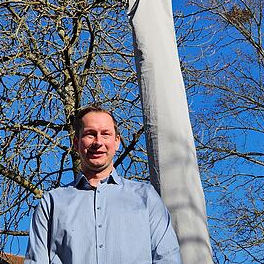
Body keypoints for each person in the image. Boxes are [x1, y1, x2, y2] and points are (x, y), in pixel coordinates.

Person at [24, 106, 182, 264]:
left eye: (105, 134)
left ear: (117, 141)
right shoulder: (51, 204)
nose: (98, 142)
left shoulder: (146, 197)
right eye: (90, 134)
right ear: (76, 143)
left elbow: (167, 259)